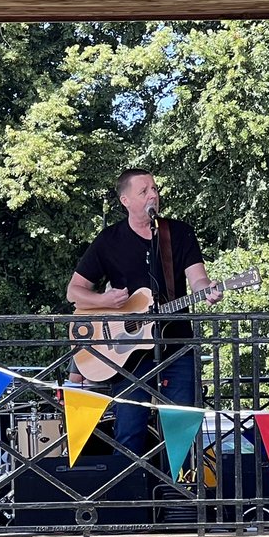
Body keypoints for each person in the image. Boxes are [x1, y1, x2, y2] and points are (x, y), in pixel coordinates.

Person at [66, 168, 221, 455]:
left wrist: (207, 288)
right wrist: (105, 300)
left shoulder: (178, 233)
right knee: (129, 430)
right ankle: (132, 497)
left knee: (182, 429)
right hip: (127, 355)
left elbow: (197, 278)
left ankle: (181, 497)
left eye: (155, 188)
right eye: (144, 191)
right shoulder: (109, 240)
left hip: (176, 346)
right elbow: (74, 292)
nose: (153, 194)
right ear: (125, 200)